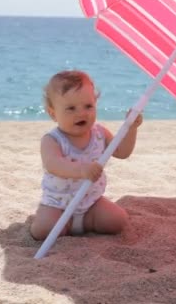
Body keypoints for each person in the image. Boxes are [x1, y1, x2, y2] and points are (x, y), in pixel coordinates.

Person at [30, 70, 142, 240]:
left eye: (88, 106)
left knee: (118, 221)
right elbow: (53, 165)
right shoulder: (52, 140)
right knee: (42, 231)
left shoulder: (99, 133)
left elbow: (122, 152)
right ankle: (64, 224)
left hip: (91, 203)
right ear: (53, 113)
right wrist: (82, 170)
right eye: (71, 108)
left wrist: (131, 128)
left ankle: (86, 222)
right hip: (58, 205)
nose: (81, 113)